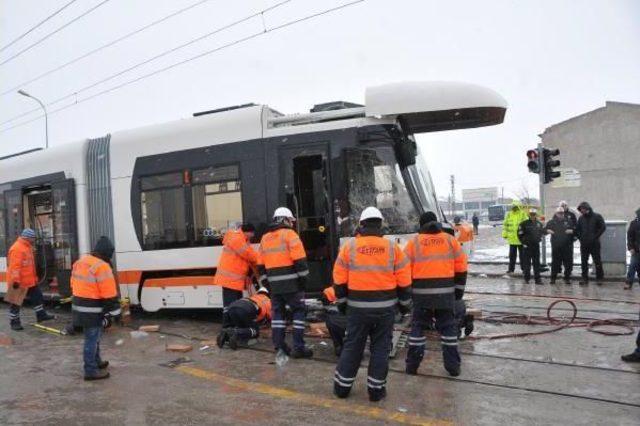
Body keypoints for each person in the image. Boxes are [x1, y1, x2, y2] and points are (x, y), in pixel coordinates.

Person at [332, 207, 411, 402]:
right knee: (380, 349)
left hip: (357, 310)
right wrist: (403, 307)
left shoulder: (349, 247)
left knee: (353, 346)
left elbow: (339, 281)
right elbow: (404, 282)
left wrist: (343, 305)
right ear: (380, 225)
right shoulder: (393, 249)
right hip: (385, 311)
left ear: (362, 225)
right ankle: (376, 391)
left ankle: (342, 388)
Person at [404, 211, 467, 377]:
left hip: (421, 297)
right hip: (445, 296)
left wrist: (407, 294)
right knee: (448, 329)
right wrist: (458, 293)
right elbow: (461, 269)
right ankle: (453, 367)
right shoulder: (450, 241)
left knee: (418, 327)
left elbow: (403, 271)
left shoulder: (413, 243)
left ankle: (412, 366)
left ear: (421, 225)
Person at [257, 207, 313, 359]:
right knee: (299, 312)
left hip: (275, 287)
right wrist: (303, 282)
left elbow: (260, 266)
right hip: (293, 285)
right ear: (285, 219)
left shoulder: (265, 238)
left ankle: (279, 345)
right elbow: (300, 263)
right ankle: (299, 347)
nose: (292, 223)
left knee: (278, 315)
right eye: (291, 220)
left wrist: (268, 285)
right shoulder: (290, 235)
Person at [71, 236, 121, 381]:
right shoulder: (103, 266)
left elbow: (73, 283)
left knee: (95, 336)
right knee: (92, 338)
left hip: (79, 305)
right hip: (92, 308)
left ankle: (97, 361)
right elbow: (110, 295)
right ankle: (90, 370)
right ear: (106, 254)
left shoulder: (81, 261)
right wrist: (116, 314)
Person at [7, 229, 55, 331]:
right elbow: (15, 267)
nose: (34, 240)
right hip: (18, 282)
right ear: (27, 238)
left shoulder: (27, 247)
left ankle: (41, 315)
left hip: (29, 280)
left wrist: (35, 278)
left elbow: (30, 265)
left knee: (38, 297)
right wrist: (16, 281)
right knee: (15, 303)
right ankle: (14, 323)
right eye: (33, 238)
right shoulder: (17, 248)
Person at [213, 223, 258, 329]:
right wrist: (264, 259)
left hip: (233, 280)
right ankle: (228, 327)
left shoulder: (242, 239)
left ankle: (234, 326)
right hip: (230, 280)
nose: (253, 236)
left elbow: (250, 254)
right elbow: (249, 255)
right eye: (252, 234)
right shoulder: (237, 239)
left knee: (236, 304)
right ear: (248, 232)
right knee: (230, 305)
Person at [576, 202, 606, 285]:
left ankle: (599, 278)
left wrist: (595, 237)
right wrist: (580, 238)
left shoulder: (597, 216)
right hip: (584, 244)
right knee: (584, 261)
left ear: (587, 208)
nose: (581, 211)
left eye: (582, 209)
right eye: (580, 209)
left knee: (597, 261)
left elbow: (603, 227)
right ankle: (584, 278)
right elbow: (577, 230)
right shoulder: (581, 218)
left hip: (594, 244)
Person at [545, 207, 576, 284]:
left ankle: (567, 278)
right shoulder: (552, 222)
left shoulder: (569, 221)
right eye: (559, 213)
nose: (560, 215)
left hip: (567, 246)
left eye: (562, 213)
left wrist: (572, 231)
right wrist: (547, 230)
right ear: (556, 214)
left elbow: (576, 231)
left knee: (567, 263)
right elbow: (544, 230)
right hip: (556, 246)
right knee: (555, 263)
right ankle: (553, 278)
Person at [518, 208, 545, 284]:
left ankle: (537, 279)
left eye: (534, 214)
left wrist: (539, 239)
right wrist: (523, 243)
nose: (532, 216)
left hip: (535, 246)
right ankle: (526, 278)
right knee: (527, 264)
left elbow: (541, 233)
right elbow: (520, 234)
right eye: (531, 214)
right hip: (527, 247)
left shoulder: (539, 224)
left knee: (536, 263)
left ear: (535, 215)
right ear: (529, 215)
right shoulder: (523, 224)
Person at [502, 201, 528, 274]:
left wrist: (526, 236)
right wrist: (504, 234)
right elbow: (505, 225)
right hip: (512, 239)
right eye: (513, 206)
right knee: (512, 256)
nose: (513, 208)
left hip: (521, 239)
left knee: (522, 256)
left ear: (518, 206)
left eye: (515, 206)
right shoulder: (509, 214)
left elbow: (526, 225)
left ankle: (524, 269)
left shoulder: (522, 214)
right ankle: (511, 269)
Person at [321, 286, 347, 356]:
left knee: (330, 319)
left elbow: (326, 309)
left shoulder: (328, 291)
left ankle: (338, 345)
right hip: (351, 322)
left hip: (334, 321)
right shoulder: (354, 289)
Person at [625, 208, 640, 290]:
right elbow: (630, 237)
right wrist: (630, 247)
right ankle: (628, 282)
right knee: (632, 266)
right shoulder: (633, 224)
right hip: (636, 250)